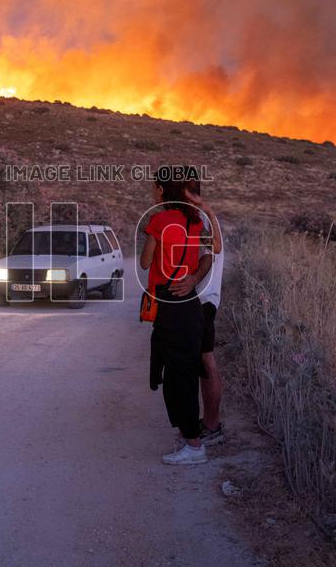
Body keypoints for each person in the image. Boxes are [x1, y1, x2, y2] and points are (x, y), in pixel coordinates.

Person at [140, 169, 207, 465]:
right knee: (185, 371)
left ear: (162, 190)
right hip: (190, 303)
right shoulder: (195, 221)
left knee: (177, 374)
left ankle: (194, 446)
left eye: (154, 187)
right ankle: (188, 437)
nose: (152, 191)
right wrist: (193, 277)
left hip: (169, 304)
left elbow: (144, 262)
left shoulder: (158, 221)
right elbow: (207, 256)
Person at [171, 185, 225, 445]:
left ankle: (211, 428)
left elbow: (208, 254)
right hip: (204, 298)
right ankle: (209, 424)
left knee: (205, 362)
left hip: (202, 300)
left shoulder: (201, 218)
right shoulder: (202, 217)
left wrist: (192, 280)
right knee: (204, 363)